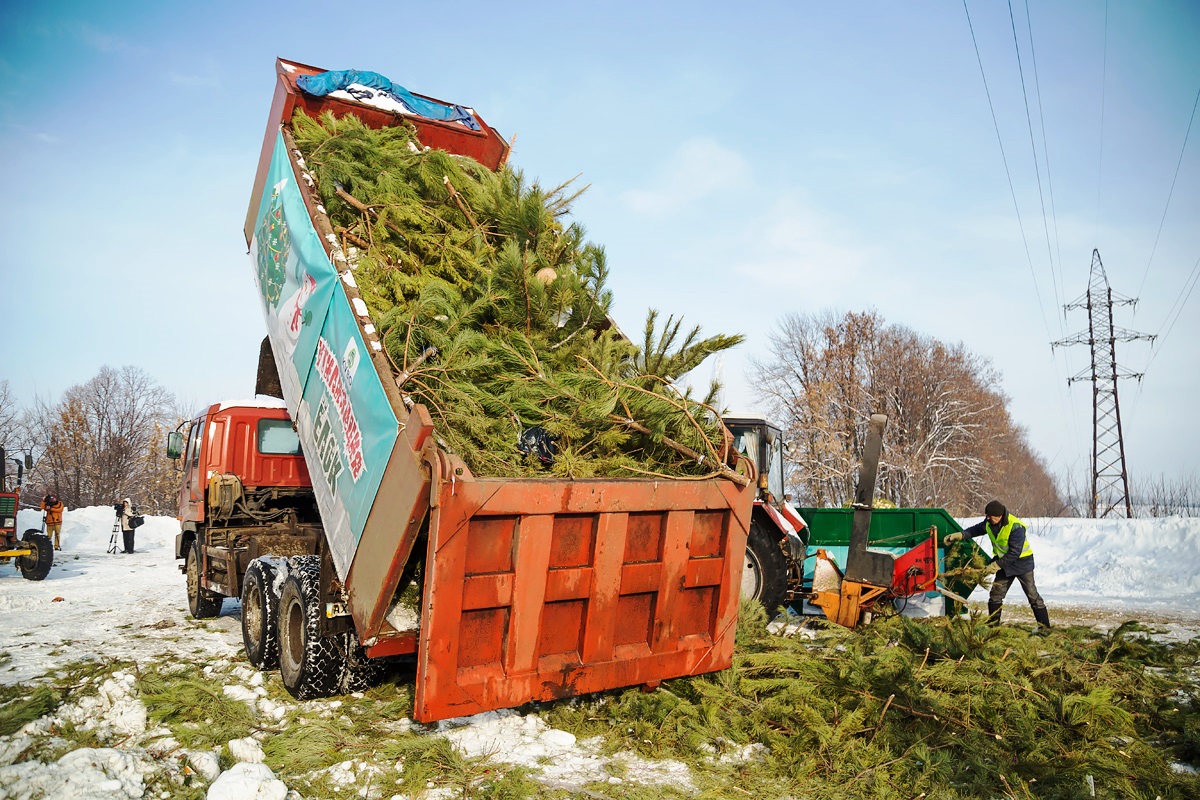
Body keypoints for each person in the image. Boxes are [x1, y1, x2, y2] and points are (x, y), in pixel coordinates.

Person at [945, 500, 1050, 629]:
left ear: (999, 516)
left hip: (1023, 564)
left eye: (990, 516)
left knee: (1032, 595)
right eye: (986, 516)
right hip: (1004, 564)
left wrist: (994, 566)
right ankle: (993, 627)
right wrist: (960, 535)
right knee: (996, 595)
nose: (987, 519)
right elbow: (975, 530)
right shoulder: (989, 522)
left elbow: (1014, 553)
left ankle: (1045, 628)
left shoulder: (1016, 527)